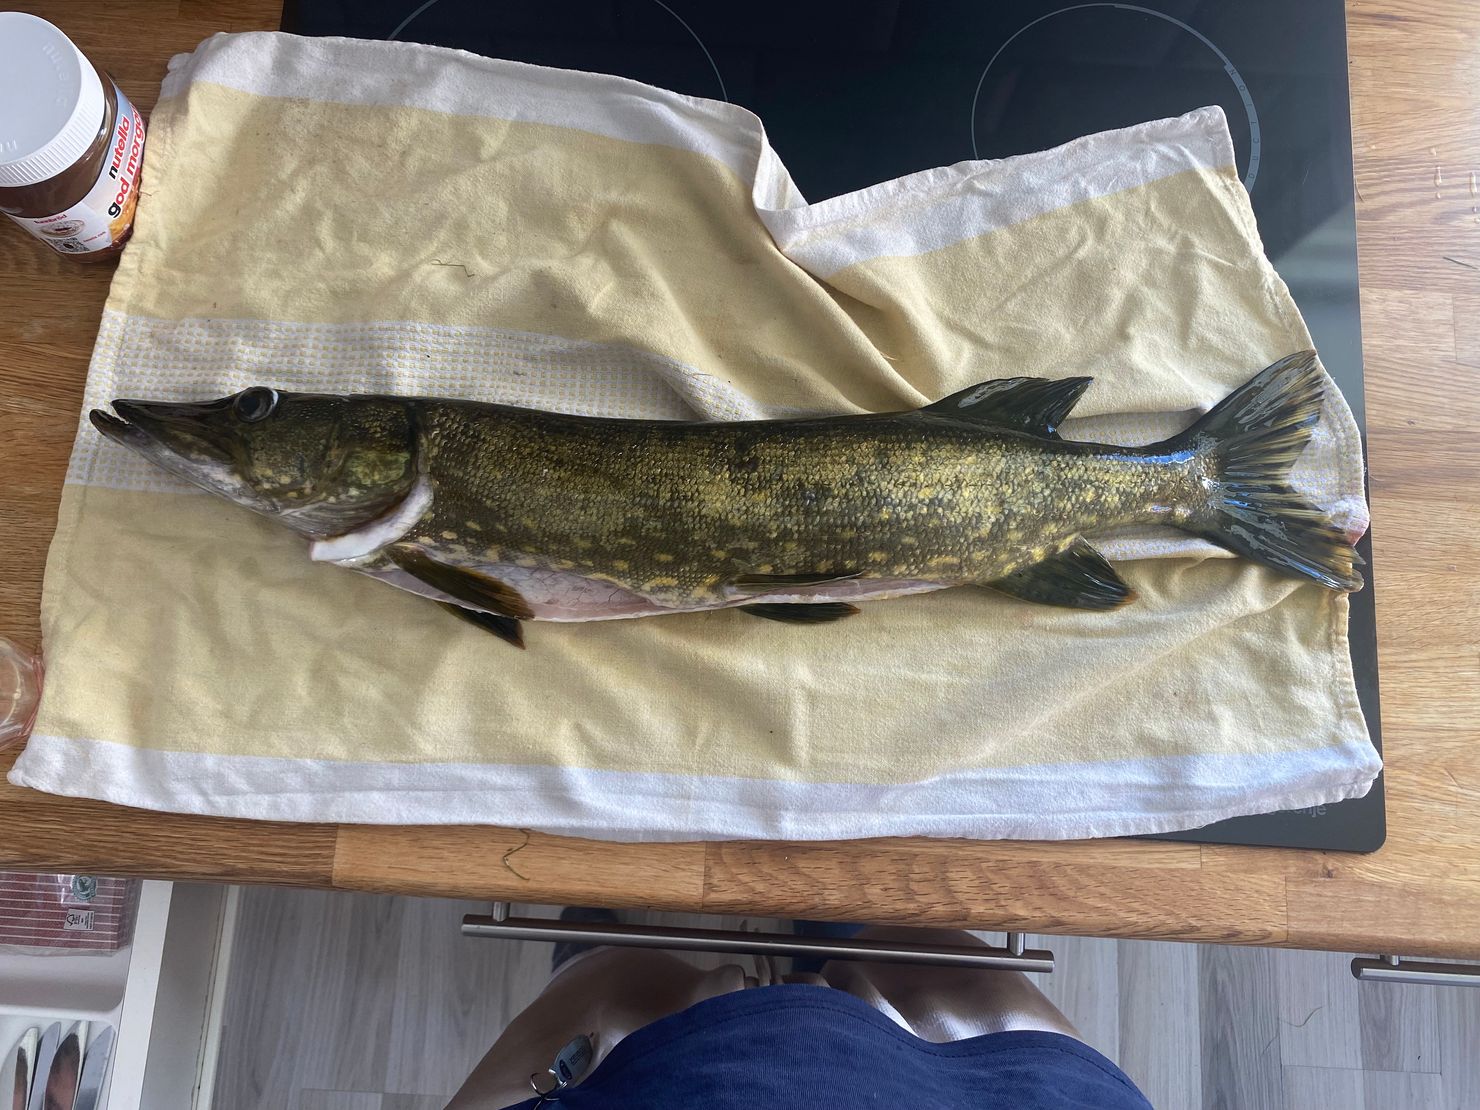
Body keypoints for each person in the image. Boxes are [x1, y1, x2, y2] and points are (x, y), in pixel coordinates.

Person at [445, 913, 1153, 1109]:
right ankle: (836, 923)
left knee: (611, 982)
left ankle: (589, 945)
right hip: (973, 1086)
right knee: (933, 960)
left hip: (655, 1085)